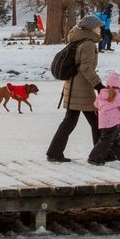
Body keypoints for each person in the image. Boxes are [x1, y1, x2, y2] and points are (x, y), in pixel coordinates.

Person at [46, 15, 105, 163]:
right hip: (82, 89)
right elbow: (86, 68)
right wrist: (99, 86)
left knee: (73, 121)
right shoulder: (88, 44)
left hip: (73, 86)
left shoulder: (78, 40)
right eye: (98, 26)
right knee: (94, 121)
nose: (100, 28)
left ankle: (54, 152)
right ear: (92, 28)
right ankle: (101, 153)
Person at [87, 71, 120, 166]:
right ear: (118, 85)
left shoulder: (102, 94)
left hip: (104, 122)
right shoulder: (119, 96)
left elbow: (96, 104)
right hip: (114, 123)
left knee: (116, 139)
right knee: (106, 141)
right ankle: (93, 158)